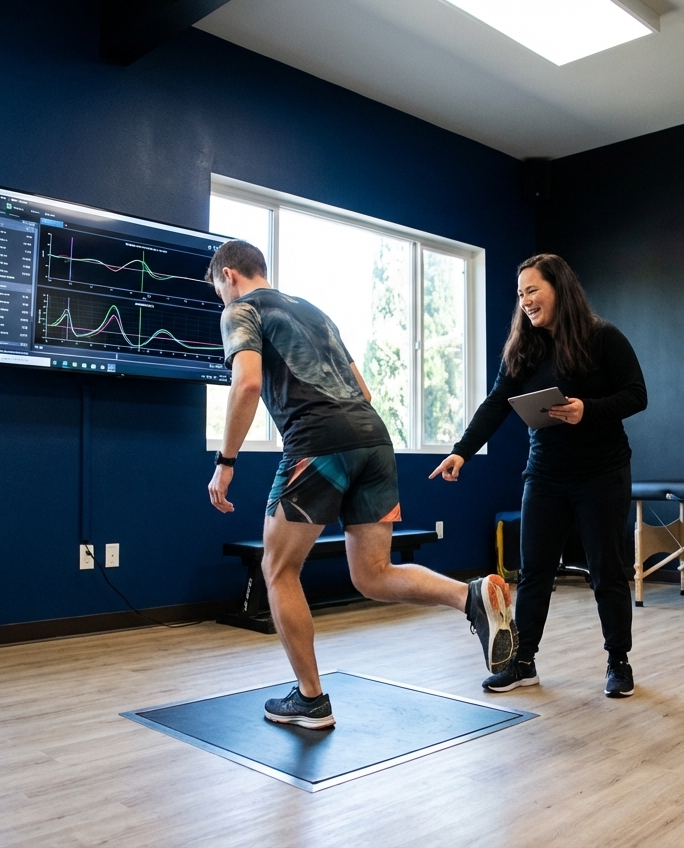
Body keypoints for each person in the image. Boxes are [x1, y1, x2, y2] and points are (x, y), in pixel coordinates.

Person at [206, 240, 516, 730]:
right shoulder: (313, 311)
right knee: (371, 574)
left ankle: (310, 700)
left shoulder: (241, 310)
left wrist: (226, 462)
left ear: (228, 275)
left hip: (317, 443)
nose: (222, 300)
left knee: (279, 567)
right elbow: (364, 391)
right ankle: (469, 596)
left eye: (219, 290)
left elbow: (245, 384)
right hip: (374, 438)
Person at [430, 253, 647, 698]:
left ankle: (618, 662)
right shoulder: (524, 349)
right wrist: (462, 452)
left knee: (606, 570)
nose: (525, 301)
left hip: (601, 472)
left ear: (559, 289)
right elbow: (496, 404)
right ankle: (523, 661)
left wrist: (588, 410)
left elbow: (636, 395)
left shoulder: (602, 337)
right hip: (545, 473)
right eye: (521, 294)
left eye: (533, 290)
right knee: (533, 572)